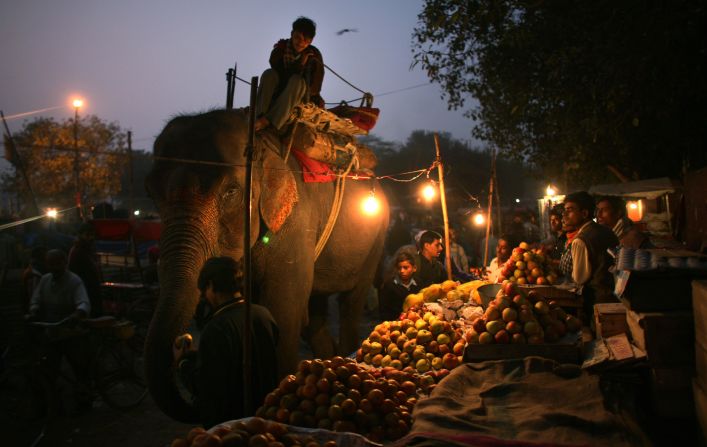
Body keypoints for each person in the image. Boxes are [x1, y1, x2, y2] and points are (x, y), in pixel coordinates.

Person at [173, 256, 279, 429]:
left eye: (204, 290)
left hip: (232, 427)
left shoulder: (216, 328)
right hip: (265, 418)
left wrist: (183, 361)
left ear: (211, 286)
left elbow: (207, 387)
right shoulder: (264, 315)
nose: (205, 297)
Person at [27, 249, 93, 410]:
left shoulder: (74, 281)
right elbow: (36, 299)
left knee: (80, 368)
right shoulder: (44, 280)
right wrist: (34, 311)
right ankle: (52, 402)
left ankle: (84, 399)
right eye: (51, 263)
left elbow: (83, 302)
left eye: (58, 263)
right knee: (48, 369)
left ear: (65, 262)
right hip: (52, 330)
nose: (55, 267)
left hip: (71, 330)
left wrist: (77, 314)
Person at [255, 17, 324, 132]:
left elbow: (315, 87)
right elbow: (278, 71)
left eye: (306, 40)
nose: (301, 42)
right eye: (297, 37)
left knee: (297, 81)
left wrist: (303, 65)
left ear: (311, 41)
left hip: (300, 95)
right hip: (279, 89)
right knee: (269, 74)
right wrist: (300, 64)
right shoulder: (280, 49)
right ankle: (259, 115)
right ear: (292, 34)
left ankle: (269, 121)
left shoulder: (314, 55)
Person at [561, 192, 619, 318]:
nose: (564, 214)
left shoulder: (580, 240)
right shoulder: (606, 231)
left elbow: (579, 278)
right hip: (617, 296)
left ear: (584, 213)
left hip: (597, 301)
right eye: (564, 210)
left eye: (570, 210)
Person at [69, 222, 103, 317]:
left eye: (92, 235)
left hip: (92, 289)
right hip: (84, 290)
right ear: (80, 235)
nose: (91, 238)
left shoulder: (88, 249)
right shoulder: (78, 251)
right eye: (88, 235)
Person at [379, 252, 420, 320]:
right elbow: (383, 311)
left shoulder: (419, 283)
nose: (401, 271)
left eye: (405, 267)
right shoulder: (389, 285)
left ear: (414, 268)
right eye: (399, 268)